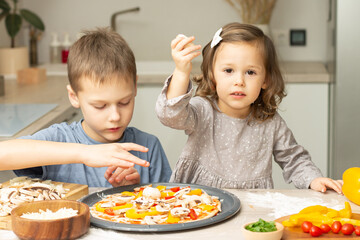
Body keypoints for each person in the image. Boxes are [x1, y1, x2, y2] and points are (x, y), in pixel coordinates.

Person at [155, 23, 342, 193]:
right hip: (199, 202)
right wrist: (181, 72)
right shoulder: (203, 111)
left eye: (250, 72)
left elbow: (294, 158)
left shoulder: (270, 123)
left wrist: (314, 179)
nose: (239, 81)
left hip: (253, 205)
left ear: (266, 80)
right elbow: (170, 114)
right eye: (228, 71)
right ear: (212, 77)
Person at [0, 28, 171, 187]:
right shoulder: (60, 139)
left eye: (124, 102)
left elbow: (169, 206)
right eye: (100, 106)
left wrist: (135, 191)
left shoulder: (149, 147)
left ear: (135, 87)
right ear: (74, 97)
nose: (115, 116)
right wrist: (85, 153)